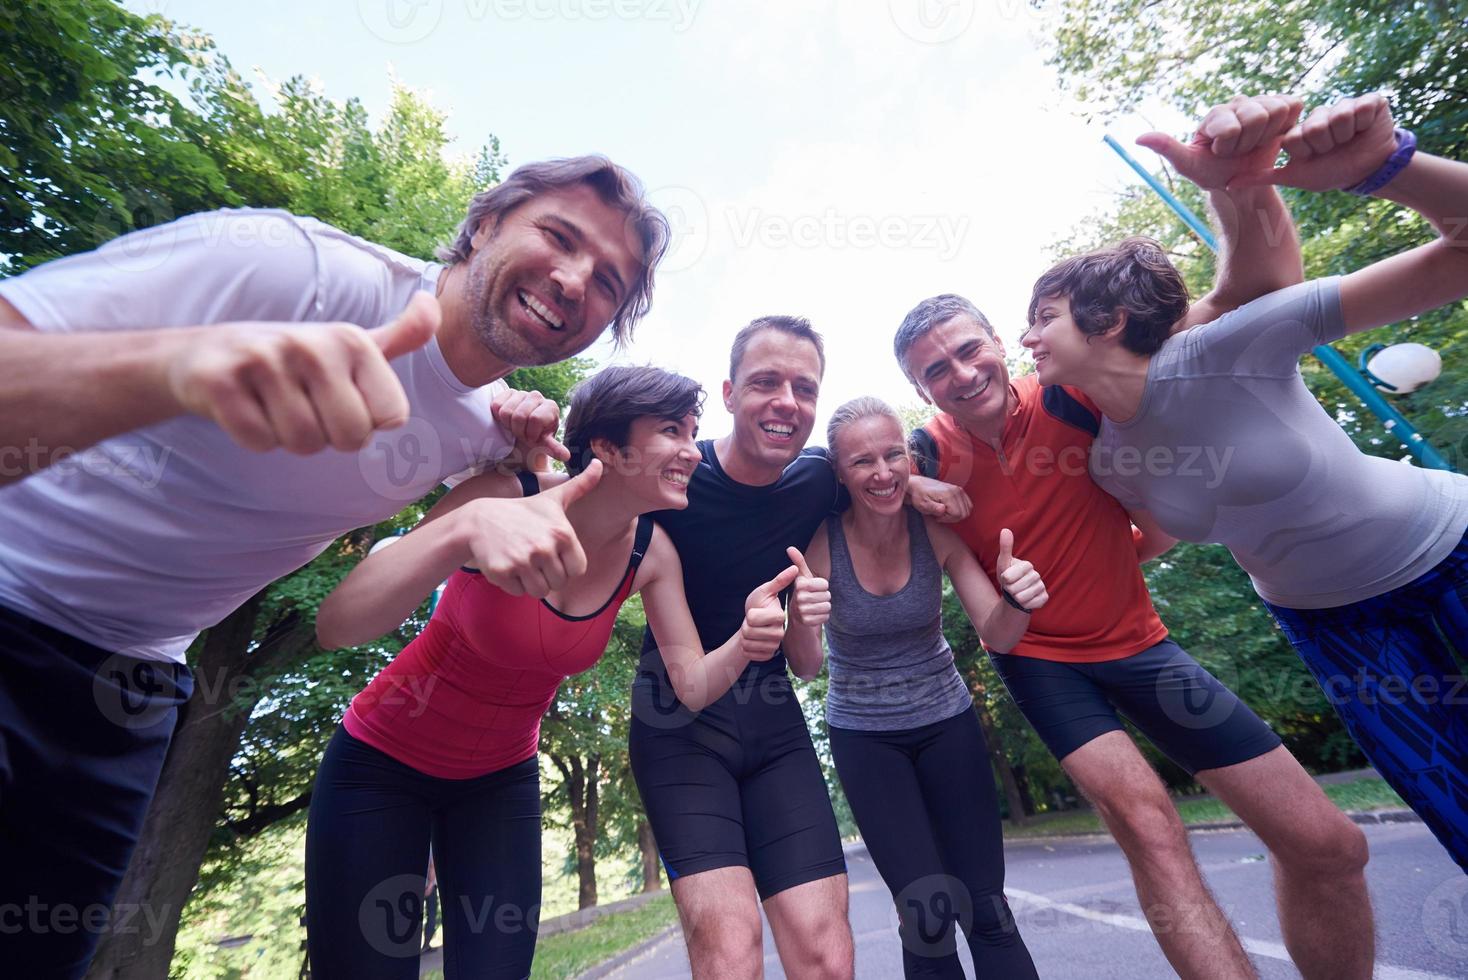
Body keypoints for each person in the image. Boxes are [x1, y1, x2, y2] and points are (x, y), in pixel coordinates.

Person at [0, 155, 667, 978]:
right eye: (558, 237)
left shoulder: (483, 434)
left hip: (131, 692)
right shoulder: (297, 271)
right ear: (487, 223)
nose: (573, 280)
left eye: (608, 280)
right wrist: (172, 372)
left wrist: (514, 453)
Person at [899, 95, 1377, 980]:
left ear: (1001, 342)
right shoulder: (930, 451)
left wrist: (1243, 187)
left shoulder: (1077, 387)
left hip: (1143, 646)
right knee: (1153, 831)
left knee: (1328, 843)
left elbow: (1239, 302)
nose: (961, 373)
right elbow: (853, 470)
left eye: (970, 350)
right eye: (935, 370)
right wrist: (902, 477)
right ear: (921, 390)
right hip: (1044, 666)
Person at [1022, 93, 1468, 873]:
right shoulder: (1106, 459)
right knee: (1455, 807)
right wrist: (1034, 580)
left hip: (1445, 544)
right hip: (1332, 624)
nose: (1025, 336)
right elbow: (1140, 544)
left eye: (1045, 315)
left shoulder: (1231, 345)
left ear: (1111, 320)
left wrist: (1387, 169)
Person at [306, 365, 804, 978]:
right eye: (672, 431)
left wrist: (748, 642)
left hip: (498, 785)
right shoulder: (507, 494)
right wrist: (464, 526)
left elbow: (693, 686)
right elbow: (337, 624)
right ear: (606, 446)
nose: (692, 451)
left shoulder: (653, 553)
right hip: (378, 766)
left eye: (693, 431)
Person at [628, 315, 860, 979]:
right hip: (679, 725)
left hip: (775, 727)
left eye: (804, 388)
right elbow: (580, 477)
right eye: (766, 383)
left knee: (826, 954)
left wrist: (806, 620)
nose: (787, 401)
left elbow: (806, 663)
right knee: (730, 952)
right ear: (728, 394)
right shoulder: (671, 479)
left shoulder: (820, 480)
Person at [782, 396, 1044, 979]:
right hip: (865, 738)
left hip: (946, 721)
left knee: (989, 910)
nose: (881, 473)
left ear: (909, 457)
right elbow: (805, 666)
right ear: (839, 474)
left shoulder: (935, 532)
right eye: (861, 462)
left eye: (892, 454)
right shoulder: (822, 543)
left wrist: (1018, 599)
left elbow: (998, 634)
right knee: (927, 914)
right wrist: (799, 618)